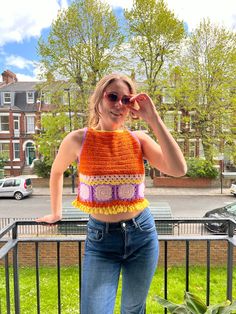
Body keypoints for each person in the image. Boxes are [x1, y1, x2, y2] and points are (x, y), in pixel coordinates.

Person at [36, 73, 187, 314]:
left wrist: (154, 118)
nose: (119, 104)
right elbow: (56, 172)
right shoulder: (78, 139)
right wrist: (56, 212)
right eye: (112, 96)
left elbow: (179, 169)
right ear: (99, 99)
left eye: (126, 99)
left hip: (143, 235)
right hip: (101, 240)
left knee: (133, 309)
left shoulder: (139, 140)